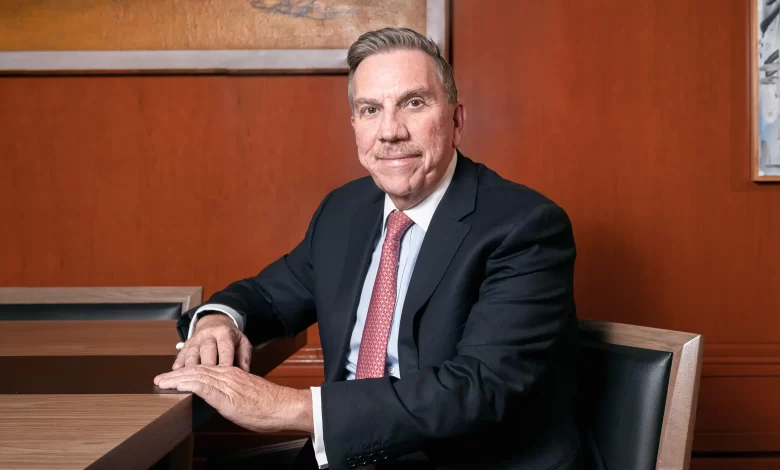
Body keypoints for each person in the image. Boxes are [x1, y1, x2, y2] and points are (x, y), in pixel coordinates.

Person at [155, 27, 583, 470]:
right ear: (355, 126)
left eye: (413, 103)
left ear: (456, 121)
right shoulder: (344, 211)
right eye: (371, 109)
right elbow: (267, 296)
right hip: (345, 457)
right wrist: (218, 321)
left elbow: (477, 387)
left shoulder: (524, 226)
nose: (390, 131)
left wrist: (293, 408)